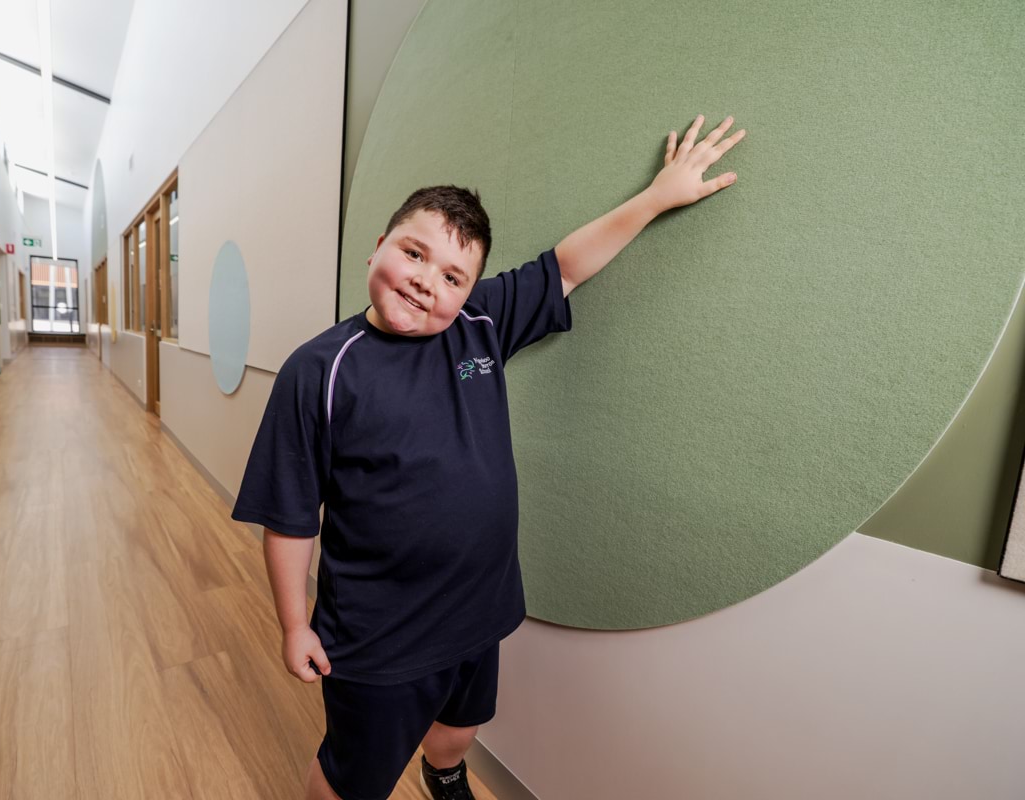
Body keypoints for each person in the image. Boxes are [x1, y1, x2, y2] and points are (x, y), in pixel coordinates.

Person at [231, 113, 746, 800]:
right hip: (380, 639)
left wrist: (657, 197)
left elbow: (566, 266)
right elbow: (291, 518)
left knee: (461, 727)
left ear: (471, 292)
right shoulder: (319, 370)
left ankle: (443, 772)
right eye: (413, 254)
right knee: (352, 775)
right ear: (377, 248)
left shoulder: (480, 327)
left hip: (479, 610)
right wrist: (295, 624)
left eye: (453, 276)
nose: (427, 282)